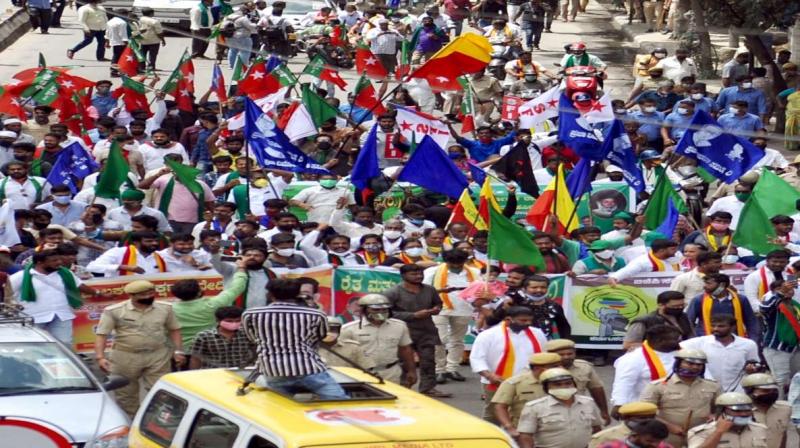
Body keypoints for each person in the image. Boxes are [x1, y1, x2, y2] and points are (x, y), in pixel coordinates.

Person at [241, 278, 347, 399]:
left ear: (269, 294)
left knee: (282, 408)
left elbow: (253, 339)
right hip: (309, 369)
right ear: (298, 294)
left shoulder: (250, 314)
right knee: (339, 400)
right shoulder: (316, 314)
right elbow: (318, 337)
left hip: (273, 371)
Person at [94, 280, 185, 417]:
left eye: (151, 293)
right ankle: (132, 422)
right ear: (132, 295)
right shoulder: (114, 311)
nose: (148, 297)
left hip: (157, 355)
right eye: (143, 295)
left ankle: (158, 421)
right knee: (126, 394)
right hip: (125, 357)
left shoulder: (165, 308)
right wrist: (100, 357)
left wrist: (178, 351)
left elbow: (175, 330)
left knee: (162, 391)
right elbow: (102, 335)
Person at [470, 307, 548, 424]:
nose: (528, 324)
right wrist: (490, 376)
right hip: (497, 381)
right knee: (494, 413)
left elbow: (544, 355)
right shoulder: (488, 335)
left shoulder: (537, 333)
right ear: (508, 319)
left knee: (527, 412)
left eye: (529, 320)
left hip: (528, 381)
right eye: (523, 320)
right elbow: (476, 358)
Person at [384, 264, 449, 397]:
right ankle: (404, 388)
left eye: (420, 273)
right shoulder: (393, 292)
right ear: (403, 276)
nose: (418, 276)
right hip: (403, 331)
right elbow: (386, 313)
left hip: (426, 330)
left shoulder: (430, 290)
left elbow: (438, 303)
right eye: (414, 274)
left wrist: (435, 309)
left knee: (428, 361)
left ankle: (428, 388)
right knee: (404, 362)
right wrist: (413, 315)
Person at [9, 249, 98, 346]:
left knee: (65, 344)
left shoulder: (66, 273)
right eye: (54, 261)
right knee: (35, 346)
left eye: (59, 260)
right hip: (34, 317)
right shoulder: (20, 276)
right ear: (40, 262)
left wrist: (97, 293)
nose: (59, 262)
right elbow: (6, 292)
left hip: (61, 315)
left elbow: (80, 286)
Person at [640, 348, 721, 446]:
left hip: (701, 437)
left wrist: (715, 416)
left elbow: (721, 409)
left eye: (699, 364)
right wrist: (669, 426)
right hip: (667, 436)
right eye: (690, 363)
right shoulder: (657, 386)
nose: (695, 367)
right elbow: (644, 413)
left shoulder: (713, 386)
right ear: (678, 363)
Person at [425, 249, 482, 383]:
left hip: (463, 309)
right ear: (446, 261)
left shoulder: (475, 272)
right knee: (440, 339)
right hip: (439, 308)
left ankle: (452, 369)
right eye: (453, 263)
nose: (456, 266)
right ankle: (439, 370)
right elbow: (425, 290)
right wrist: (441, 291)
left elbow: (479, 290)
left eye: (459, 263)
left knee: (457, 340)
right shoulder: (432, 272)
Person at [339, 294, 417, 387]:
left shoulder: (399, 326)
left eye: (384, 309)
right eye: (376, 309)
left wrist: (412, 371)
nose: (381, 312)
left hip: (391, 373)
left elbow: (405, 349)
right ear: (364, 310)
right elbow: (342, 354)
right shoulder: (348, 329)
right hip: (361, 374)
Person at [171, 259, 248, 352]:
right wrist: (241, 268)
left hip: (181, 352)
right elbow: (237, 287)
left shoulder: (170, 309)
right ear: (199, 292)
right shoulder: (212, 304)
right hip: (208, 350)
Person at [517, 367, 604, 448]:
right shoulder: (534, 407)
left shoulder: (587, 402)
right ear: (546, 388)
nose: (564, 387)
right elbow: (525, 435)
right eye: (557, 384)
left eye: (568, 383)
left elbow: (596, 428)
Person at [682, 314, 760, 393]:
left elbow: (755, 365)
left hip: (738, 391)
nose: (716, 329)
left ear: (733, 327)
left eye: (721, 326)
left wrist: (752, 370)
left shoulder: (748, 344)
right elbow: (677, 348)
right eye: (713, 326)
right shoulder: (701, 342)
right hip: (708, 390)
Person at [611, 325, 682, 409]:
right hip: (643, 407)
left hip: (676, 405)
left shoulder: (680, 351)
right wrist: (619, 405)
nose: (680, 341)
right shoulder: (633, 358)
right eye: (676, 339)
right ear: (660, 341)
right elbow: (623, 383)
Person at [492, 352, 563, 433]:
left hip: (556, 428)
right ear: (537, 368)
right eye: (554, 366)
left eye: (559, 365)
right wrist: (509, 428)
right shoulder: (514, 383)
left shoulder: (563, 381)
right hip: (523, 429)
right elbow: (500, 407)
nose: (561, 368)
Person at [545, 339, 610, 423]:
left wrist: (604, 411)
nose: (566, 357)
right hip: (549, 413)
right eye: (561, 354)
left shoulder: (584, 367)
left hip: (578, 411)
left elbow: (596, 388)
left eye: (570, 354)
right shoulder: (541, 370)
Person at [759, 278, 800, 392]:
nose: (787, 290)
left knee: (796, 380)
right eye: (780, 288)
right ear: (774, 292)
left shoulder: (796, 305)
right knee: (780, 381)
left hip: (795, 347)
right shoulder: (772, 305)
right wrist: (781, 292)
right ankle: (779, 407)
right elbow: (764, 309)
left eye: (789, 288)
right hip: (776, 347)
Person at [687, 273, 757, 340]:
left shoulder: (741, 299)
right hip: (705, 338)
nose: (705, 286)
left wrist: (754, 340)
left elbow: (751, 322)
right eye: (705, 283)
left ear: (722, 285)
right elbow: (689, 321)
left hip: (734, 339)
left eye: (708, 283)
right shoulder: (698, 300)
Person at [687, 392, 769, 447]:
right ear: (722, 412)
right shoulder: (701, 432)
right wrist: (718, 432)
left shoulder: (761, 429)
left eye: (747, 410)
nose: (744, 414)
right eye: (737, 411)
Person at [190, 306, 256, 369]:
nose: (234, 323)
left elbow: (255, 351)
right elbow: (196, 358)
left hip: (242, 371)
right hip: (214, 372)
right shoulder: (204, 336)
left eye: (237, 321)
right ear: (218, 320)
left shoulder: (247, 333)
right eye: (229, 321)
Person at [739, 373, 792, 448]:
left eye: (773, 390)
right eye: (765, 391)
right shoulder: (740, 414)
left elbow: (782, 434)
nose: (771, 393)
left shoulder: (785, 409)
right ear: (750, 392)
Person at [86, 231, 168, 276]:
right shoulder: (118, 252)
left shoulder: (161, 255)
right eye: (149, 241)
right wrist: (122, 267)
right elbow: (91, 267)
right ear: (136, 243)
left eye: (156, 241)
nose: (154, 243)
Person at [608, 239, 681, 285]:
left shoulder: (675, 256)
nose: (676, 251)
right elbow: (628, 270)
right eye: (673, 249)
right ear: (661, 251)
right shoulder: (643, 261)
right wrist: (615, 277)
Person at [589, 402, 661, 447]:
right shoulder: (604, 437)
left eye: (652, 417)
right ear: (625, 417)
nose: (648, 421)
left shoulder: (658, 434)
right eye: (642, 418)